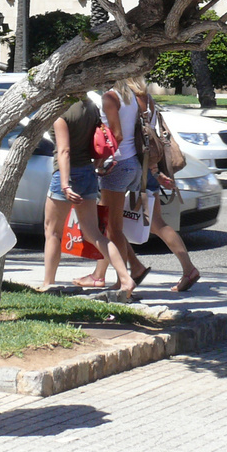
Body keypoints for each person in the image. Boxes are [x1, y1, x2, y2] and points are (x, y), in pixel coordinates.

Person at [86, 79, 201, 294]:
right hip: (147, 163)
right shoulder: (146, 99)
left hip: (125, 163)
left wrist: (100, 162)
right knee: (153, 222)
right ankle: (187, 268)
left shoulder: (118, 97)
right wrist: (156, 171)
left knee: (112, 226)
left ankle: (121, 277)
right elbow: (149, 135)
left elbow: (120, 136)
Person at [39, 95, 136, 299]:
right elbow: (104, 139)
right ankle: (125, 278)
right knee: (95, 234)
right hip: (87, 172)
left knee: (53, 232)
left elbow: (64, 151)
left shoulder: (61, 110)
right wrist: (95, 166)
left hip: (67, 174)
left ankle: (48, 282)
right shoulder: (91, 106)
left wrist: (65, 184)